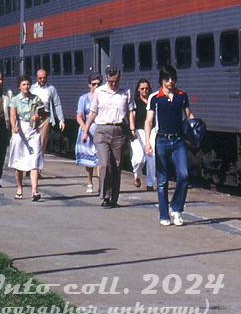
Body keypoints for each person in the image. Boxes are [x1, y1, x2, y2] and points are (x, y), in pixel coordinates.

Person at [145, 66, 195, 226]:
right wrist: (147, 143)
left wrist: (194, 129)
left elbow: (189, 115)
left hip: (178, 140)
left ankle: (176, 209)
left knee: (184, 175)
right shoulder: (155, 98)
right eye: (167, 79)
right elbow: (148, 121)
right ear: (162, 80)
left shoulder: (182, 95)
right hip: (161, 141)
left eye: (173, 78)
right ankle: (163, 215)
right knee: (162, 180)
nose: (170, 81)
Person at [81, 65, 134, 208]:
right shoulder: (99, 92)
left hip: (119, 131)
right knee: (104, 164)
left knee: (117, 166)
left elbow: (130, 111)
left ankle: (114, 198)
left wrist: (132, 128)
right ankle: (105, 196)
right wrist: (85, 131)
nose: (114, 84)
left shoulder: (126, 92)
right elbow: (92, 112)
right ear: (106, 78)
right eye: (111, 81)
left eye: (116, 81)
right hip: (102, 131)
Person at [8, 74, 46, 201]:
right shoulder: (15, 100)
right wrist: (14, 127)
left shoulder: (36, 99)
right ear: (19, 87)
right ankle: (19, 189)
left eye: (28, 84)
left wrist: (37, 117)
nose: (26, 87)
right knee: (19, 161)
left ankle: (34, 191)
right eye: (23, 85)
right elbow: (13, 116)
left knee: (34, 160)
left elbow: (42, 113)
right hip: (20, 130)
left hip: (33, 130)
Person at [75, 74, 101, 194]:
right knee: (89, 160)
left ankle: (101, 184)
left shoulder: (103, 98)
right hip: (87, 130)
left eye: (98, 84)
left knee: (100, 159)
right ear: (89, 85)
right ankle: (90, 182)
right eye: (94, 84)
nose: (96, 87)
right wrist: (83, 126)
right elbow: (79, 115)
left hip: (99, 129)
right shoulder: (83, 99)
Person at [30, 68, 65, 152]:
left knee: (41, 142)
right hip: (33, 117)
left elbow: (57, 104)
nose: (42, 80)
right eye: (40, 78)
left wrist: (61, 120)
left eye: (44, 78)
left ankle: (39, 159)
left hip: (45, 118)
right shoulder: (32, 88)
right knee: (31, 141)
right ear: (36, 78)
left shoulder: (51, 89)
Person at [131, 78, 155, 190]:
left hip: (151, 132)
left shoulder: (152, 101)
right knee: (139, 158)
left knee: (151, 158)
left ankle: (150, 183)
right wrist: (132, 130)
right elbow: (132, 117)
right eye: (142, 89)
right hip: (138, 132)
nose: (144, 91)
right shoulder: (135, 103)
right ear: (138, 90)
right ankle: (137, 175)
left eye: (146, 88)